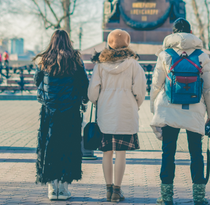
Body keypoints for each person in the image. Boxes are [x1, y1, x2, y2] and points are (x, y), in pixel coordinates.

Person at [150, 18, 210, 205]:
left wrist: (153, 108)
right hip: (194, 110)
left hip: (169, 110)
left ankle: (166, 197)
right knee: (196, 153)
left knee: (168, 153)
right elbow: (209, 89)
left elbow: (156, 84)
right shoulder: (202, 56)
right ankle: (198, 197)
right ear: (190, 33)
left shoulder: (165, 55)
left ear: (173, 33)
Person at [88, 29, 147, 202]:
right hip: (126, 112)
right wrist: (135, 104)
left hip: (105, 113)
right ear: (127, 44)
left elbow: (92, 92)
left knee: (107, 152)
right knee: (121, 153)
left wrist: (98, 101)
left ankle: (107, 189)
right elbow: (140, 91)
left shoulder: (100, 65)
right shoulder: (134, 65)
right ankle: (117, 190)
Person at [34, 29, 89, 200]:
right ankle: (64, 188)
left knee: (49, 146)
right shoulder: (75, 60)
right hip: (70, 111)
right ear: (68, 41)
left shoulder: (43, 60)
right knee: (68, 146)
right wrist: (84, 101)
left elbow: (38, 81)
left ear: (52, 41)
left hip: (49, 111)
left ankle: (52, 187)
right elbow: (84, 83)